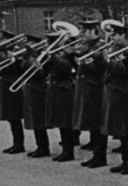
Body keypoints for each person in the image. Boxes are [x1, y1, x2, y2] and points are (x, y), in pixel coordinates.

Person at [70, 20, 109, 168]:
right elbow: (80, 68)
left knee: (98, 122)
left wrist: (85, 62)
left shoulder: (100, 46)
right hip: (86, 88)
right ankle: (96, 154)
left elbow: (99, 69)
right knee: (92, 122)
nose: (82, 34)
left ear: (93, 31)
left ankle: (100, 156)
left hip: (96, 88)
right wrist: (72, 57)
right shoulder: (87, 46)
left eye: (85, 31)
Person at [102, 21, 128, 175]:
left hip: (124, 91)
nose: (112, 36)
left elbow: (122, 71)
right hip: (116, 90)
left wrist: (108, 60)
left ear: (123, 34)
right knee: (120, 130)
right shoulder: (116, 48)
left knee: (126, 130)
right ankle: (125, 161)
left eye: (115, 34)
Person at [0, 30, 25, 154]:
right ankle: (15, 143)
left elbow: (17, 69)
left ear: (8, 40)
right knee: (10, 117)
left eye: (2, 39)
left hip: (11, 85)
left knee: (14, 116)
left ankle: (19, 144)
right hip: (3, 87)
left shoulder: (15, 51)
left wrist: (13, 57)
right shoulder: (0, 52)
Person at [42, 32, 76, 162]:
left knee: (65, 121)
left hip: (64, 88)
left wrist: (52, 55)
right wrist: (45, 60)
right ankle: (65, 150)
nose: (47, 45)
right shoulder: (55, 54)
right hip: (55, 88)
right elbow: (45, 72)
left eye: (49, 42)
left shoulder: (65, 52)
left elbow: (67, 68)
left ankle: (69, 152)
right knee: (60, 122)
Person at [19, 35, 50, 158]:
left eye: (30, 42)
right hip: (32, 89)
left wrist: (28, 59)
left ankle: (43, 147)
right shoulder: (30, 56)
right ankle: (40, 146)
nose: (27, 45)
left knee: (38, 120)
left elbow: (39, 72)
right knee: (35, 119)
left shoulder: (40, 56)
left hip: (38, 90)